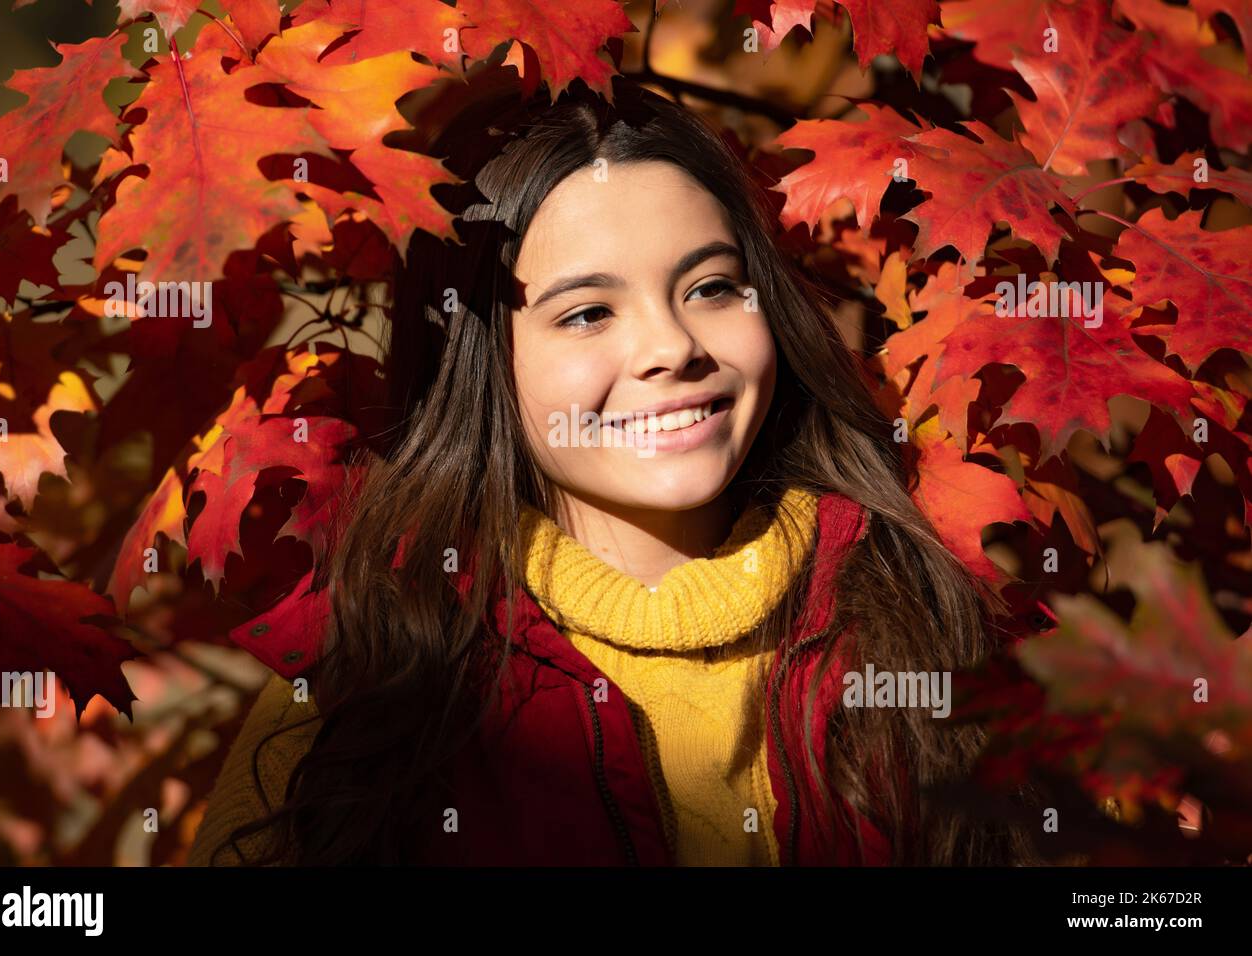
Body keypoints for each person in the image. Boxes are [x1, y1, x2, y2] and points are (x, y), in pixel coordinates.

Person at [187, 70, 1041, 867]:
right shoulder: (375, 675)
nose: (672, 347)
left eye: (710, 288)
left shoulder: (924, 622)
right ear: (479, 359)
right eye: (589, 312)